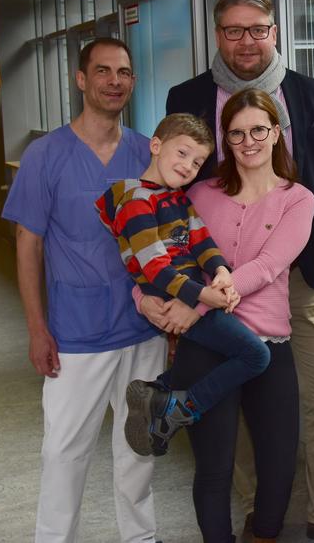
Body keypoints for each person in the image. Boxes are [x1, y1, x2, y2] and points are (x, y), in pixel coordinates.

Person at [166, 0, 314, 542]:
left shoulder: (307, 92)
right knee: (229, 408)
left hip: (297, 276)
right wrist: (186, 290)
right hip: (213, 284)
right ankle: (256, 504)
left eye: (257, 29)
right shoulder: (185, 95)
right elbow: (176, 196)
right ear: (218, 36)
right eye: (233, 30)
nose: (247, 41)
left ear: (274, 32)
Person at [1, 38, 167, 543]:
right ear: (81, 79)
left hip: (143, 329)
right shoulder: (45, 155)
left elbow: (169, 239)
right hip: (76, 333)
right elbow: (27, 245)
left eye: (123, 72)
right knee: (64, 452)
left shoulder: (147, 152)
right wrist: (37, 328)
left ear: (132, 81)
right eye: (102, 71)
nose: (114, 81)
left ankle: (140, 537)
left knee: (139, 446)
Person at [140, 89, 314, 542]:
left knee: (278, 465)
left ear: (276, 133)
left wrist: (194, 303)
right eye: (236, 134)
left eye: (259, 129)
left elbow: (268, 266)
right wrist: (142, 301)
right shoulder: (198, 192)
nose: (249, 141)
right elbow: (150, 248)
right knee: (213, 469)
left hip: (269, 344)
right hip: (206, 346)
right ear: (225, 141)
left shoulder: (298, 199)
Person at [96, 113, 270, 457]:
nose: (189, 166)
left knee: (216, 356)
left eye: (197, 161)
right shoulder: (135, 200)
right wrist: (204, 296)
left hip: (191, 292)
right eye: (182, 153)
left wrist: (221, 272)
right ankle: (180, 409)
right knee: (256, 355)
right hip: (169, 295)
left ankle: (159, 389)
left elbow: (203, 243)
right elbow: (154, 267)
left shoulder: (177, 198)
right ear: (156, 146)